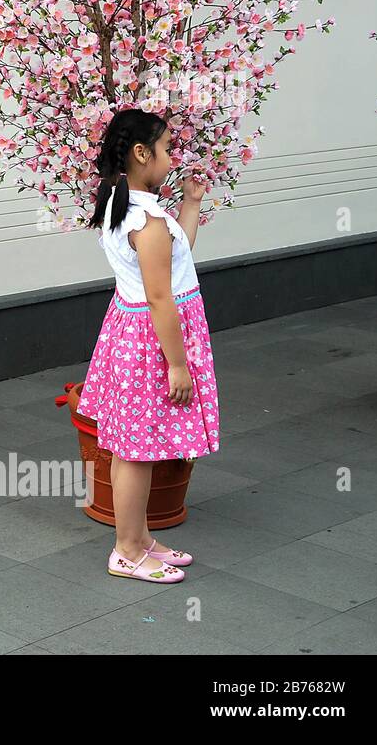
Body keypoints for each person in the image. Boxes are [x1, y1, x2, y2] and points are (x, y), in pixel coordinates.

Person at [77, 109, 220, 584]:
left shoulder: (131, 210)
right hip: (152, 342)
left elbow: (172, 266)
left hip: (131, 334)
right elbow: (162, 295)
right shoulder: (147, 221)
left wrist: (192, 206)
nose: (172, 157)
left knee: (127, 447)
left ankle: (136, 539)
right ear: (142, 154)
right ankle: (126, 550)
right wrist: (178, 365)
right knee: (136, 451)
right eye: (166, 149)